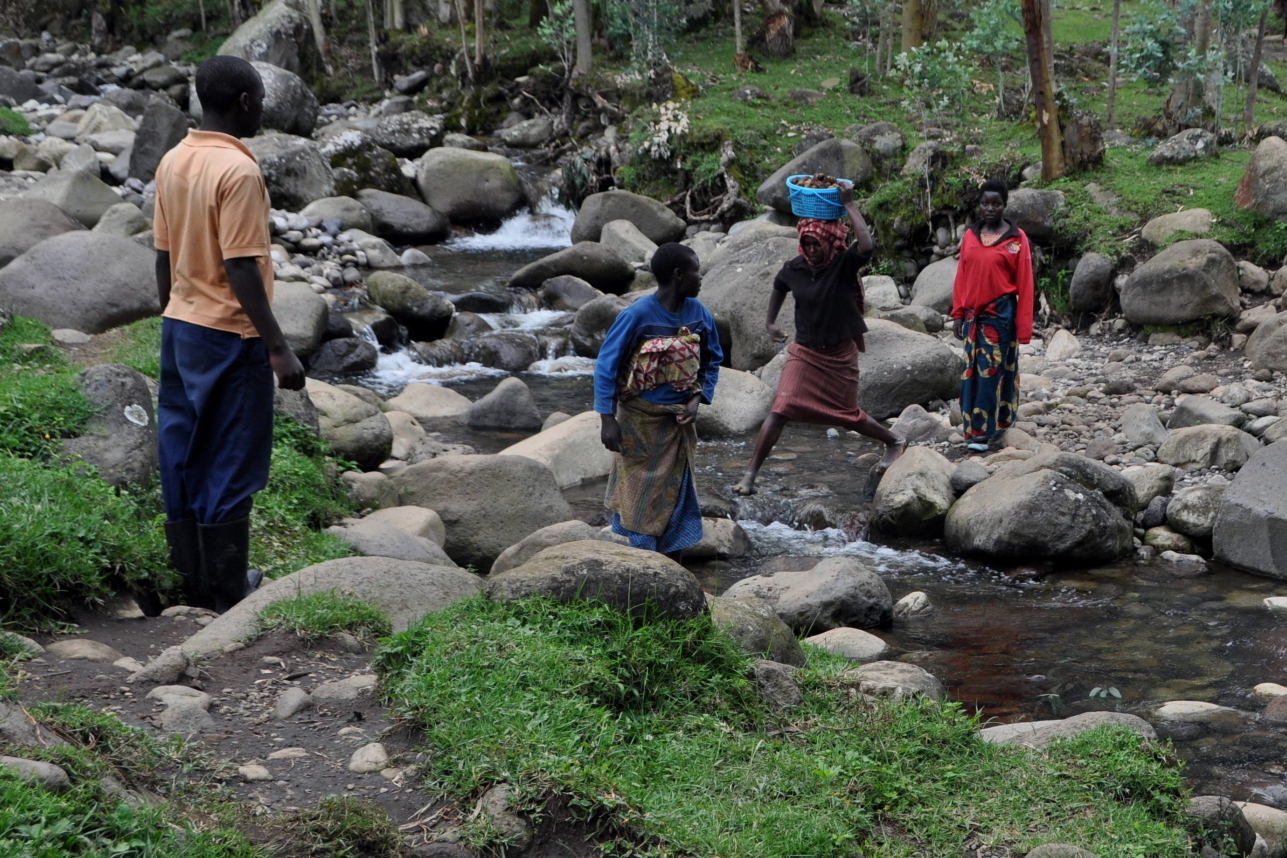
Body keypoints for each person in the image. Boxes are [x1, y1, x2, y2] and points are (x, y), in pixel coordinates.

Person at [152, 55, 305, 614]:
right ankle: (225, 589)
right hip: (229, 334)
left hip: (181, 325)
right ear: (243, 102)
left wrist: (169, 306)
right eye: (260, 98)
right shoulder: (238, 172)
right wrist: (278, 348)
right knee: (230, 454)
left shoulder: (175, 159)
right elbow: (242, 265)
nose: (262, 106)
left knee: (183, 445)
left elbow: (164, 251)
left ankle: (189, 577)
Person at [733, 180, 904, 497]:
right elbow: (779, 287)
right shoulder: (794, 268)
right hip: (805, 353)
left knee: (849, 417)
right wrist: (770, 323)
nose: (812, 250)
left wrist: (849, 205)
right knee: (779, 410)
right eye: (806, 243)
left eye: (817, 244)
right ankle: (749, 476)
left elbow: (866, 247)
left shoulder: (841, 265)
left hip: (839, 354)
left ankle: (894, 440)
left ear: (828, 243)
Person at [595, 243, 723, 560]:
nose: (701, 277)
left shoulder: (699, 314)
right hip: (638, 425)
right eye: (696, 270)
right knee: (639, 498)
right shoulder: (636, 316)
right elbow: (606, 366)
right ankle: (644, 569)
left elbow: (712, 359)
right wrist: (607, 419)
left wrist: (697, 398)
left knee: (675, 499)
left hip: (676, 425)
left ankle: (672, 571)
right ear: (679, 275)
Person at [950, 179, 1035, 453]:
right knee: (970, 374)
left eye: (996, 204)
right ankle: (972, 429)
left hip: (1001, 315)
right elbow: (962, 276)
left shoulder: (1016, 239)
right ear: (979, 205)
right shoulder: (971, 237)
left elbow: (1025, 284)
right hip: (973, 316)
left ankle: (988, 432)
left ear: (1004, 205)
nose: (990, 208)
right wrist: (958, 312)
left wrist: (1024, 329)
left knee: (992, 373)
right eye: (985, 203)